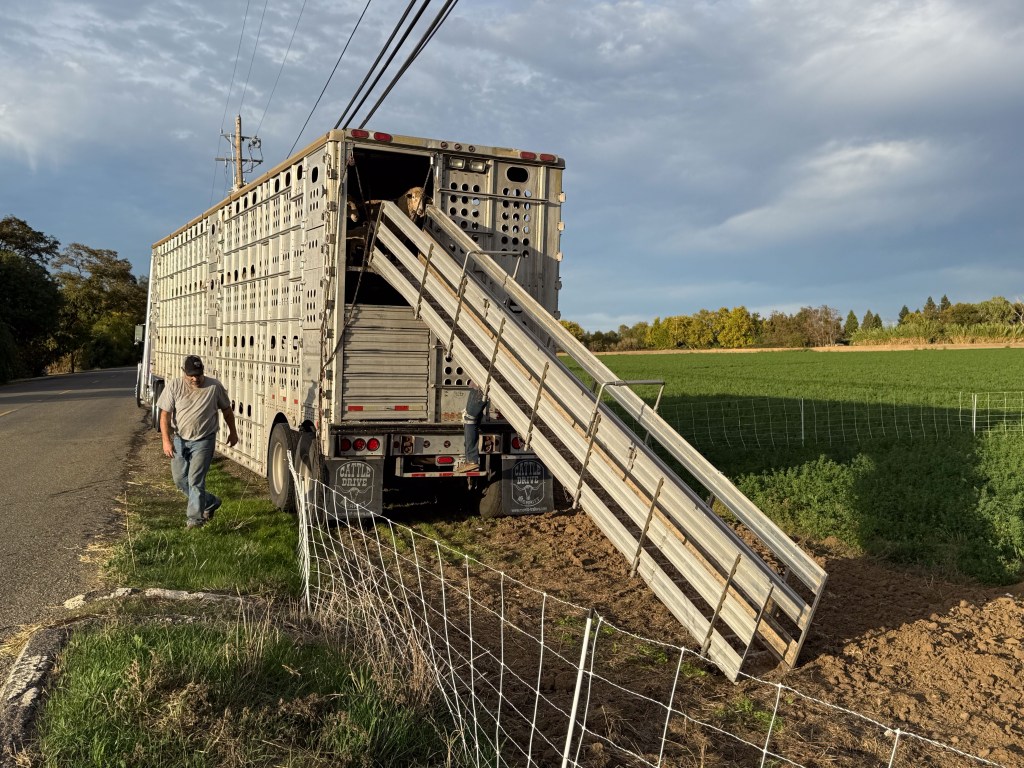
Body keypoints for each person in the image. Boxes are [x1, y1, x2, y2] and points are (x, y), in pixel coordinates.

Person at [158, 355, 239, 529]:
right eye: (191, 375)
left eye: (198, 374)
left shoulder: (214, 386)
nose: (195, 379)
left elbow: (226, 410)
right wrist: (166, 440)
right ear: (184, 373)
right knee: (180, 480)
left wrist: (233, 432)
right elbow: (164, 415)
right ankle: (210, 502)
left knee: (195, 480)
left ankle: (195, 520)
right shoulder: (174, 386)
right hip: (180, 439)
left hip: (204, 440)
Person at [458, 383, 488, 473]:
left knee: (469, 419)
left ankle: (471, 460)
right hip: (480, 389)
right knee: (474, 420)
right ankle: (470, 459)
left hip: (479, 389)